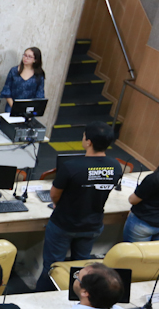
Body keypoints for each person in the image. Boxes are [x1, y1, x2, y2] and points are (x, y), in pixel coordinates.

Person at [35, 121, 122, 292]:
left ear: (88, 142)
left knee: (53, 266)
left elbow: (54, 194)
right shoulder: (116, 166)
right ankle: (77, 294)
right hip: (93, 225)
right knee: (81, 267)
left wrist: (59, 205)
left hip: (64, 224)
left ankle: (42, 296)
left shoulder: (71, 166)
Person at [0, 47, 45, 111]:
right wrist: (14, 107)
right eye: (25, 55)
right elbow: (7, 90)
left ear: (35, 60)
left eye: (29, 56)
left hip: (29, 109)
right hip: (12, 107)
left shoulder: (39, 74)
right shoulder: (14, 71)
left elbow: (40, 94)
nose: (26, 58)